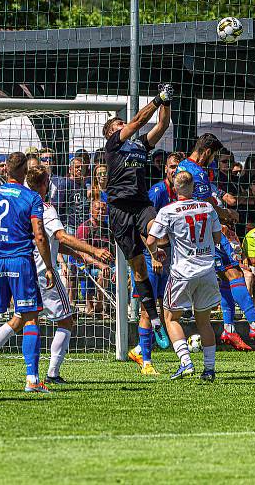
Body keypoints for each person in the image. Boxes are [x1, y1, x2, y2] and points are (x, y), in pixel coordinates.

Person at [0, 165, 113, 385]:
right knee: (66, 320)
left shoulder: (22, 203)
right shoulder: (44, 207)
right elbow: (61, 236)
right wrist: (93, 250)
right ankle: (53, 373)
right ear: (45, 184)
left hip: (25, 270)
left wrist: (79, 256)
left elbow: (51, 241)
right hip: (44, 273)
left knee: (19, 319)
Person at [177, 133, 255, 352]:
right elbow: (207, 206)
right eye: (214, 156)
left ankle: (229, 329)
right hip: (206, 233)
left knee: (227, 278)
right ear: (207, 152)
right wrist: (228, 214)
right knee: (234, 273)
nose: (214, 161)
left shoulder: (182, 167)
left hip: (200, 232)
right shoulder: (197, 172)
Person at [0, 152, 55, 394]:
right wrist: (48, 267)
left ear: (6, 169)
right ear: (25, 171)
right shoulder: (32, 198)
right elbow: (39, 235)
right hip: (20, 262)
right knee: (29, 318)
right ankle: (32, 379)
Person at [102, 83, 174, 350]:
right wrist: (157, 99)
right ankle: (155, 322)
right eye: (118, 124)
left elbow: (162, 126)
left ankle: (156, 250)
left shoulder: (140, 146)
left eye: (123, 123)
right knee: (138, 270)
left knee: (158, 231)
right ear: (111, 132)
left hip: (141, 205)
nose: (124, 125)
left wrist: (167, 101)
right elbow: (137, 120)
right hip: (119, 209)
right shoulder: (113, 145)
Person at [145, 171, 221, 382]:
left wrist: (154, 255)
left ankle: (186, 362)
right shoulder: (207, 207)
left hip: (183, 272)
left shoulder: (168, 211)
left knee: (170, 317)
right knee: (204, 322)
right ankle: (209, 369)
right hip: (206, 270)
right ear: (194, 186)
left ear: (175, 187)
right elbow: (217, 237)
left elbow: (151, 240)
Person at [129, 151, 185, 372]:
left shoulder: (182, 195)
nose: (175, 171)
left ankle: (140, 350)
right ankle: (147, 363)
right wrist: (152, 254)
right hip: (151, 256)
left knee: (166, 309)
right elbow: (143, 225)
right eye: (172, 167)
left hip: (169, 256)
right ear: (166, 169)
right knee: (147, 309)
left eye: (178, 168)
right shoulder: (158, 192)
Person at [51, 157, 89, 235]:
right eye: (77, 167)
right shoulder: (64, 184)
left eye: (82, 167)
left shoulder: (84, 186)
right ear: (70, 169)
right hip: (69, 227)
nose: (80, 169)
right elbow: (55, 206)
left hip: (83, 227)